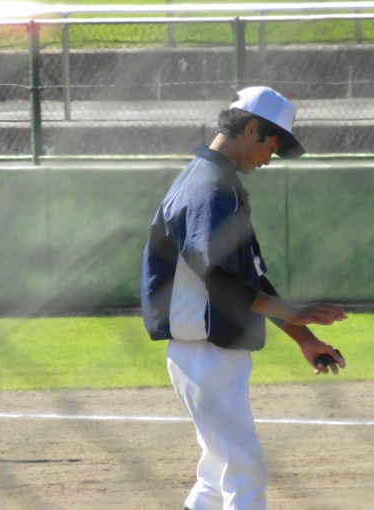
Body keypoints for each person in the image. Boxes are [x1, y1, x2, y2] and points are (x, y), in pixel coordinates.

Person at [140, 86, 347, 510]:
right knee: (244, 471)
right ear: (252, 129)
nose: (271, 157)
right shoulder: (210, 187)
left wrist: (304, 337)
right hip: (206, 352)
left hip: (208, 351)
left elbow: (251, 279)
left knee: (217, 476)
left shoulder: (216, 182)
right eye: (273, 144)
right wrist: (294, 311)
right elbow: (216, 274)